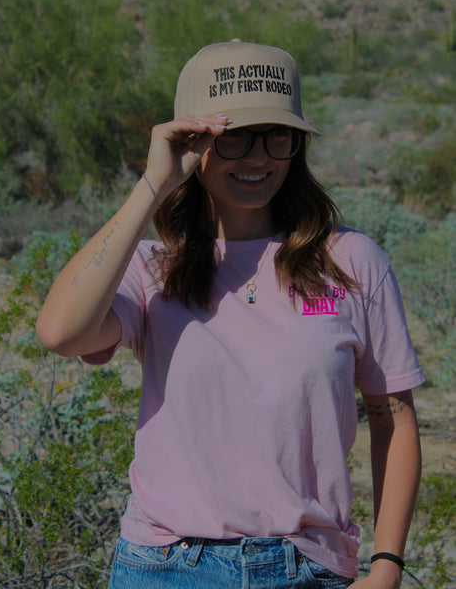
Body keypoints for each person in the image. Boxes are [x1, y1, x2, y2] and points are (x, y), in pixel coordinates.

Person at [36, 40, 424, 589]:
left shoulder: (351, 260)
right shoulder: (153, 268)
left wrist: (387, 566)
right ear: (194, 142)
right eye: (233, 136)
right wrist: (154, 185)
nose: (258, 156)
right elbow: (60, 331)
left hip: (306, 567)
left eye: (277, 135)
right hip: (165, 567)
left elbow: (393, 418)